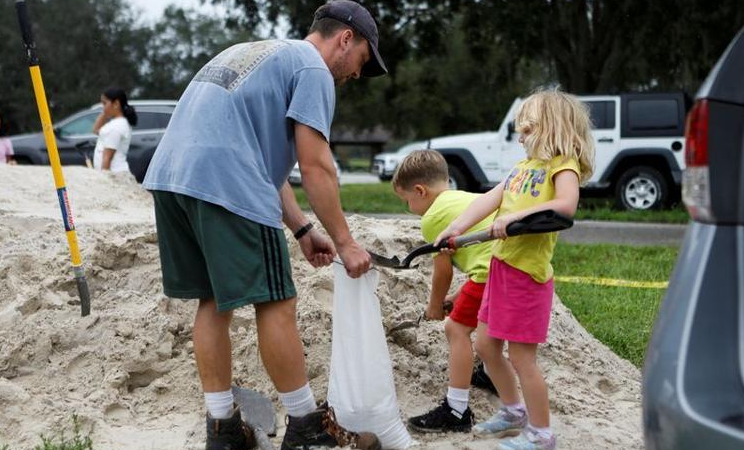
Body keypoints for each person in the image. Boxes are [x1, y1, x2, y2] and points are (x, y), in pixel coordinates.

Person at [141, 2, 387, 450]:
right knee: (277, 300)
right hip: (225, 184)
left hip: (172, 179)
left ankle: (223, 430)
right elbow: (316, 167)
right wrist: (346, 243)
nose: (354, 74)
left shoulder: (255, 52)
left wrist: (300, 228)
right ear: (345, 39)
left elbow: (253, 154)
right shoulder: (312, 70)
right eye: (362, 61)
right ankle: (306, 429)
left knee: (213, 300)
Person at [435, 88, 595, 450]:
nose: (520, 137)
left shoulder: (562, 165)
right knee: (486, 344)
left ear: (552, 128)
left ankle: (541, 435)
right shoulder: (523, 169)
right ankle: (513, 411)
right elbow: (491, 199)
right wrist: (455, 228)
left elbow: (566, 206)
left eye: (527, 129)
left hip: (527, 278)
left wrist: (516, 217)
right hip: (501, 269)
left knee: (523, 357)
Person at [391, 150, 498, 433]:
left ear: (419, 191)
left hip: (491, 275)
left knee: (456, 330)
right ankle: (490, 376)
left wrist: (436, 306)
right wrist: (459, 296)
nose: (408, 208)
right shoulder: (466, 199)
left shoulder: (434, 217)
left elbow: (443, 271)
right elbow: (483, 256)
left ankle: (456, 409)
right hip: (506, 271)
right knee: (490, 327)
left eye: (407, 202)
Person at [92, 87, 136, 172]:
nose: (103, 107)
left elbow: (107, 157)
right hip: (114, 173)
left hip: (115, 175)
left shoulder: (116, 126)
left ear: (116, 104)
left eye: (104, 103)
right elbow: (95, 130)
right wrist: (106, 110)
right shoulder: (116, 123)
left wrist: (104, 179)